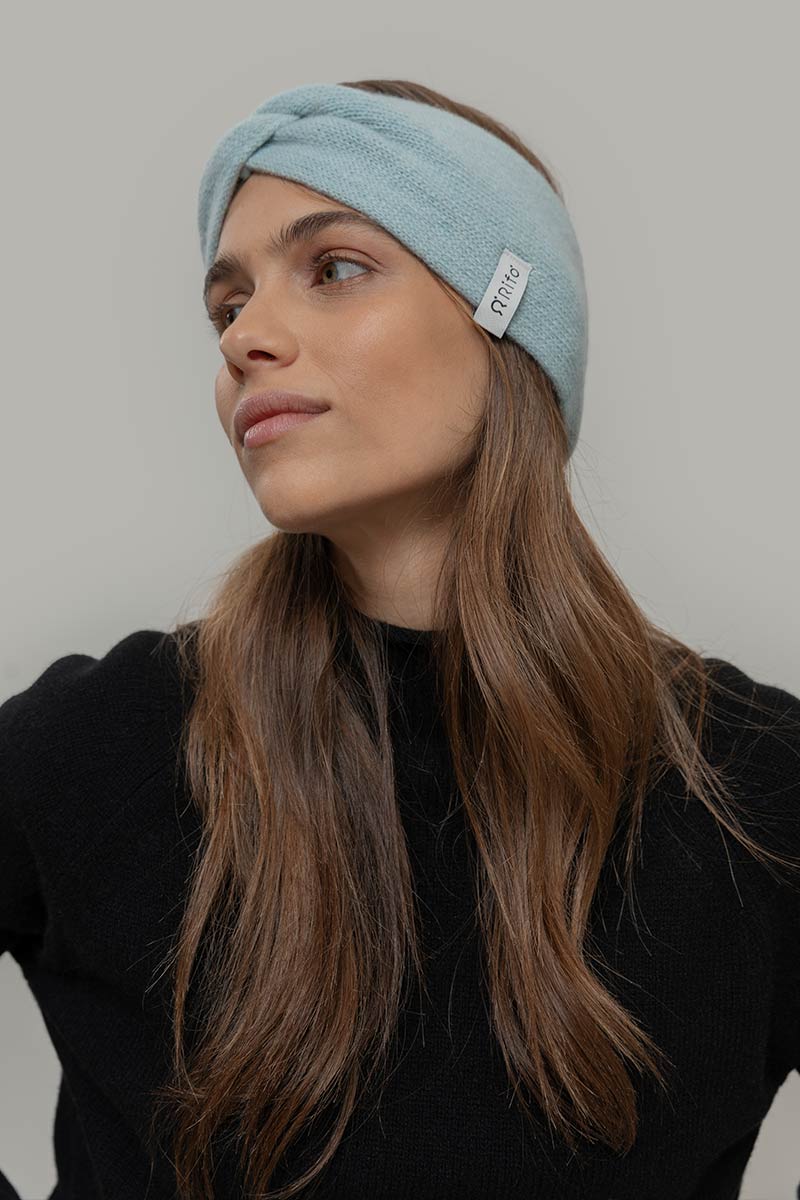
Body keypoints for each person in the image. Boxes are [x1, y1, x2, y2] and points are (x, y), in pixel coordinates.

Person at [1, 77, 799, 1200]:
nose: (246, 339)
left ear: (504, 310)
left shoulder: (754, 789)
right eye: (227, 306)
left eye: (333, 269)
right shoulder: (105, 742)